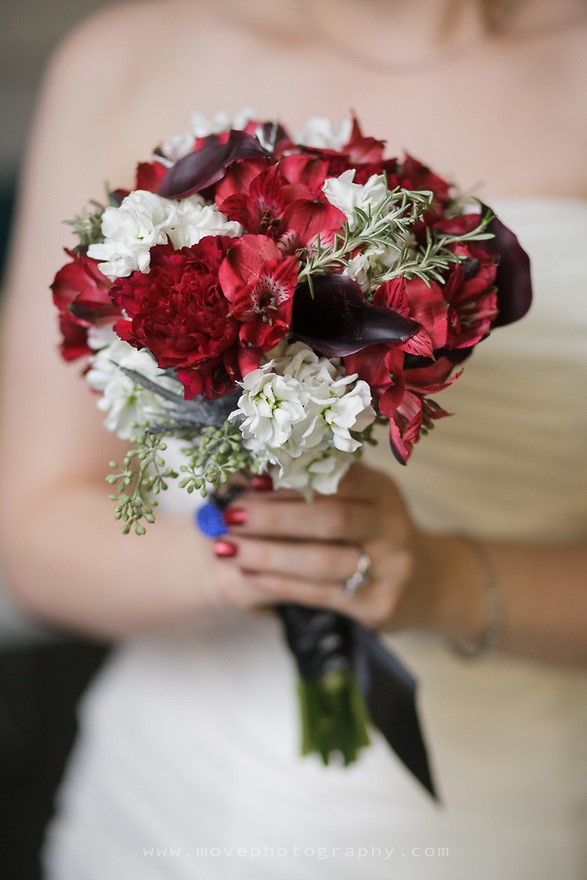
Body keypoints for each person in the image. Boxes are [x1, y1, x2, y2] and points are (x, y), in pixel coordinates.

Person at [0, 0, 585, 877]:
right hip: (156, 818)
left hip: (497, 825)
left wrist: (439, 580)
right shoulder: (129, 55)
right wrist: (245, 557)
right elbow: (32, 533)